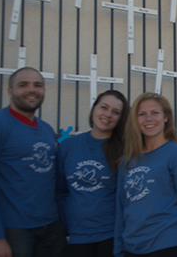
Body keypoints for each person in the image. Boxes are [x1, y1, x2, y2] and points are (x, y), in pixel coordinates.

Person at [0, 66, 67, 257]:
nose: (32, 90)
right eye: (23, 85)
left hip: (50, 226)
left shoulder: (46, 129)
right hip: (14, 229)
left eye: (38, 85)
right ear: (10, 92)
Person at [113, 93, 177, 257]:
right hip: (132, 247)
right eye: (142, 114)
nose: (148, 118)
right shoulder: (127, 161)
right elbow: (121, 208)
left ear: (166, 117)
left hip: (169, 245)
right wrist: (118, 249)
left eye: (155, 113)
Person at [57, 90, 130, 257]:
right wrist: (67, 223)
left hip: (111, 236)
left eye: (116, 112)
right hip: (77, 237)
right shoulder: (68, 146)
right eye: (104, 107)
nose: (108, 115)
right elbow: (60, 191)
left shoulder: (124, 150)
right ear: (94, 109)